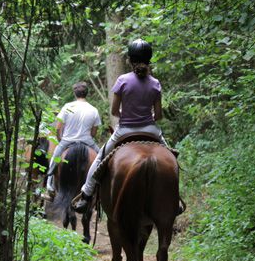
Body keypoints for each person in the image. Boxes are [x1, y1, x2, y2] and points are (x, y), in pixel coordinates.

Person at [72, 38, 168, 213]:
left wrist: (128, 115)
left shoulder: (122, 80)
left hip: (125, 130)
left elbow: (115, 111)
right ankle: (173, 199)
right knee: (171, 157)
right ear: (149, 59)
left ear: (130, 60)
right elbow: (159, 116)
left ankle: (86, 195)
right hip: (150, 130)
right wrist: (148, 116)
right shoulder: (155, 83)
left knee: (100, 158)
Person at [45, 81, 102, 198]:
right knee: (103, 157)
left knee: (54, 158)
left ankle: (49, 185)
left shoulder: (67, 107)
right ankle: (103, 187)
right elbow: (94, 132)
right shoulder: (94, 110)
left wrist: (60, 139)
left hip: (67, 141)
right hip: (87, 141)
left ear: (74, 94)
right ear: (87, 94)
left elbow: (58, 127)